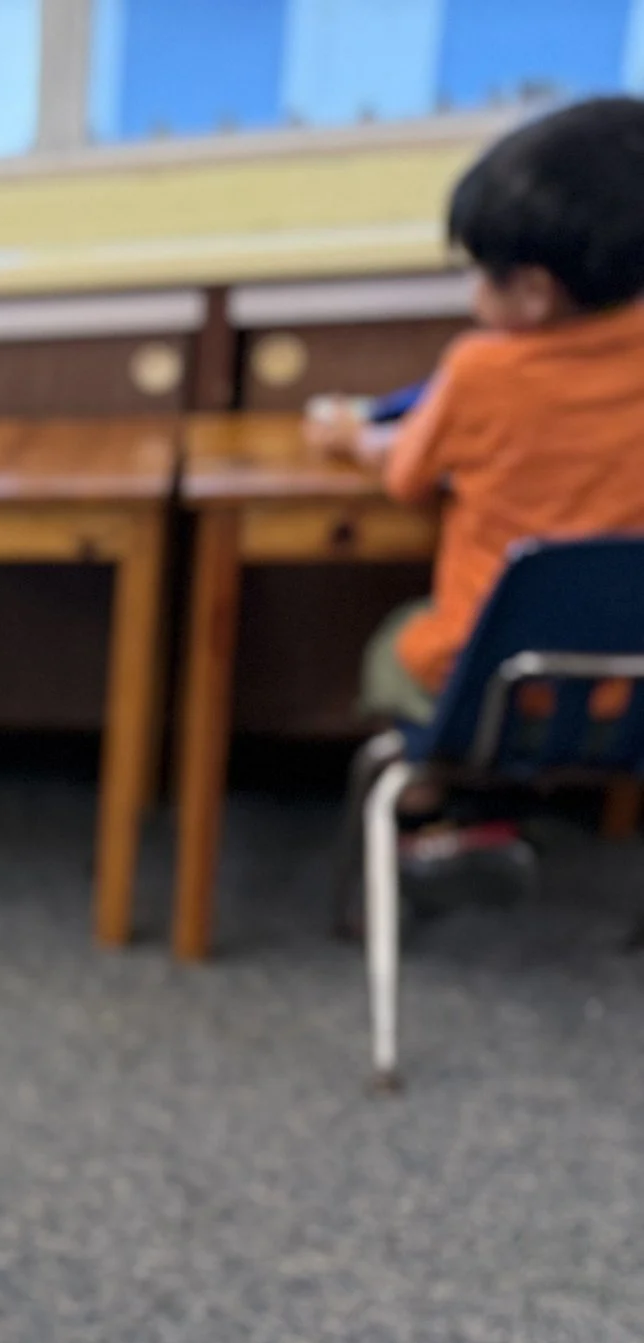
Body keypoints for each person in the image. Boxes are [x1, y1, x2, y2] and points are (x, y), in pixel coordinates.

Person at [307, 97, 644, 894]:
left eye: (477, 269)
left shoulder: (481, 370)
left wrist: (353, 432)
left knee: (400, 644)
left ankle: (429, 808)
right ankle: (495, 806)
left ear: (531, 292)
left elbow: (405, 474)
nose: (467, 289)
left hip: (492, 691)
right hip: (631, 693)